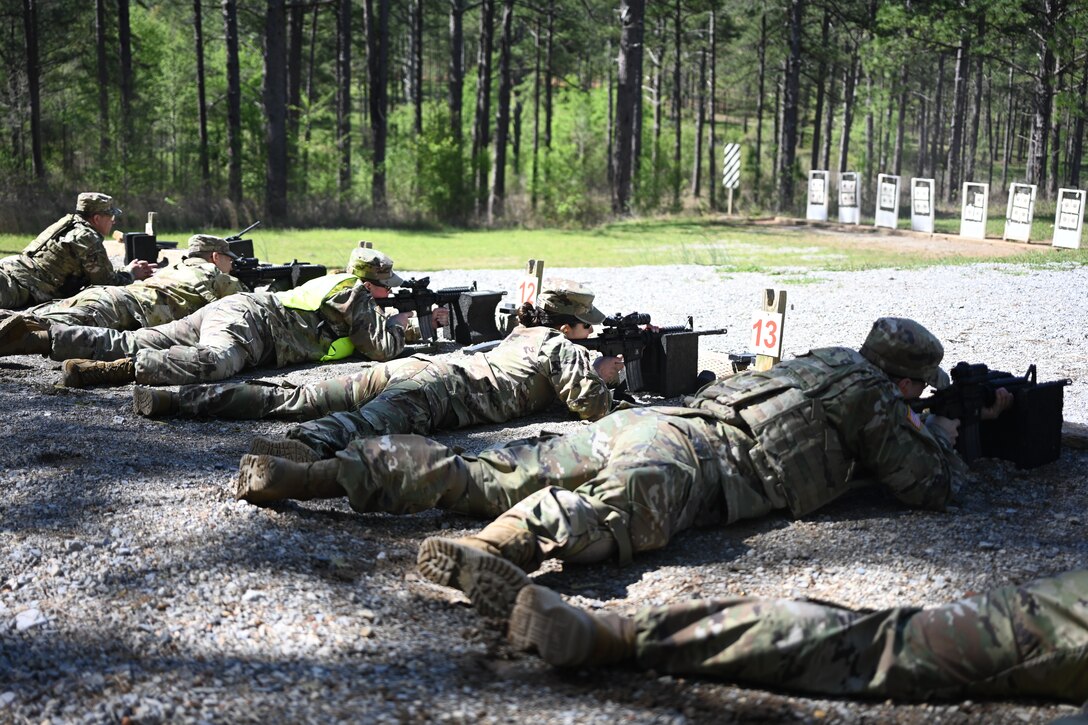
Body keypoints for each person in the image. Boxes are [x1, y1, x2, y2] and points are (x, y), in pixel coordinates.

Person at [140, 282, 621, 468]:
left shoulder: (521, 336)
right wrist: (607, 378)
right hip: (438, 391)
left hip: (410, 369)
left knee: (292, 394)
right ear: (567, 326)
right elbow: (592, 407)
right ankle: (301, 445)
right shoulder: (560, 347)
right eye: (585, 326)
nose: (587, 333)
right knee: (360, 425)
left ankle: (175, 400)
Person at [504, 570, 1088, 703]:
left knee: (880, 637)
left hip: (664, 433)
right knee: (886, 647)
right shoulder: (879, 406)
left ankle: (618, 632)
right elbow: (927, 483)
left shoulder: (828, 366)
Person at [0, 247, 412, 388]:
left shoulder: (340, 286)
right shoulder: (353, 292)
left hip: (233, 312)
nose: (388, 290)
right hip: (250, 326)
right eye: (385, 284)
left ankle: (40, 336)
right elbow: (381, 349)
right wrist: (401, 324)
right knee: (216, 363)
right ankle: (115, 372)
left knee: (140, 338)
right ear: (367, 281)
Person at [0, 234, 242, 334]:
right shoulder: (216, 276)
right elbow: (249, 305)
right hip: (121, 308)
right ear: (215, 257)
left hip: (109, 295)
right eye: (229, 259)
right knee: (38, 327)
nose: (231, 264)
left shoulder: (176, 268)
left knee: (31, 315)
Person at [0, 192, 154, 309]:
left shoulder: (70, 224)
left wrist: (125, 270)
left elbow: (94, 270)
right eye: (111, 216)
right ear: (97, 219)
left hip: (10, 268)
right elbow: (105, 283)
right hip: (17, 285)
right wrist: (131, 274)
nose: (113, 221)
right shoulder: (87, 238)